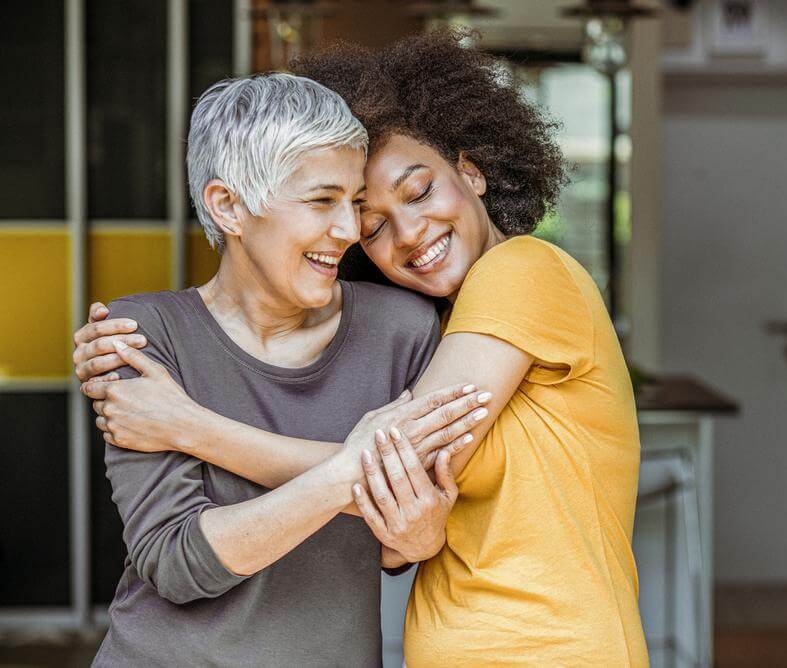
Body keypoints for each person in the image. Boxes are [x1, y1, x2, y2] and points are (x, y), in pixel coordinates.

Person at [76, 30, 649, 666]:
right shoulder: (427, 327)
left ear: (472, 170)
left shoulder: (515, 273)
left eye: (419, 190)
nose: (387, 232)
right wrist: (407, 523)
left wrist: (187, 427)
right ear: (229, 208)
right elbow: (386, 515)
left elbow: (396, 476)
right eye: (364, 218)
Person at [78, 72, 491, 667]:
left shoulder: (403, 329)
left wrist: (414, 533)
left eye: (353, 204)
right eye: (322, 201)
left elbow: (408, 538)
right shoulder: (140, 336)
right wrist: (351, 472)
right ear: (229, 207)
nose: (350, 231)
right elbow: (177, 563)